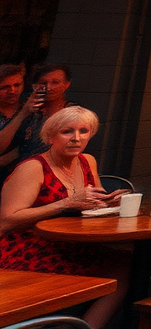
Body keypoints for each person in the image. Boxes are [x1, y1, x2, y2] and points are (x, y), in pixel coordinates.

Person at [0, 106, 129, 327]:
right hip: (30, 246)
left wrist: (108, 202)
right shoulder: (33, 167)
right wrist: (65, 203)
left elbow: (93, 202)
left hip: (70, 242)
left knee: (126, 262)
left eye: (83, 131)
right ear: (50, 137)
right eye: (67, 131)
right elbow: (7, 222)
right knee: (119, 266)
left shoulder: (87, 161)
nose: (76, 138)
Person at [3, 63, 78, 179]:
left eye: (55, 82)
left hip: (54, 175)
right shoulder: (31, 110)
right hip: (19, 173)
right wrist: (24, 112)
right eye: (43, 83)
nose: (49, 87)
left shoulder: (72, 113)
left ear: (66, 85)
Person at [0, 64, 29, 178]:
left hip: (24, 176)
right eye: (5, 87)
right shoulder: (27, 110)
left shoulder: (34, 108)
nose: (12, 91)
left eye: (17, 85)